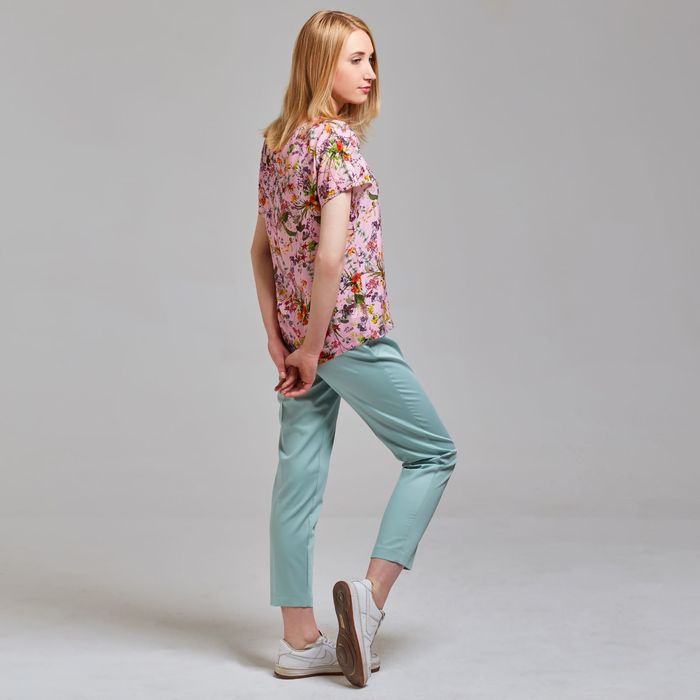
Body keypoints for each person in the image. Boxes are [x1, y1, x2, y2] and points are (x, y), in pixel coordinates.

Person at [250, 10, 458, 688]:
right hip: (347, 336)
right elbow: (331, 258)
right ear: (322, 65)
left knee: (296, 486)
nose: (370, 73)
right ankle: (369, 599)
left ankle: (298, 641)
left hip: (300, 343)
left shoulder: (277, 141)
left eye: (372, 59)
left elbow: (259, 252)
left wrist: (279, 339)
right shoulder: (336, 142)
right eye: (355, 59)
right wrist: (313, 347)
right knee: (432, 453)